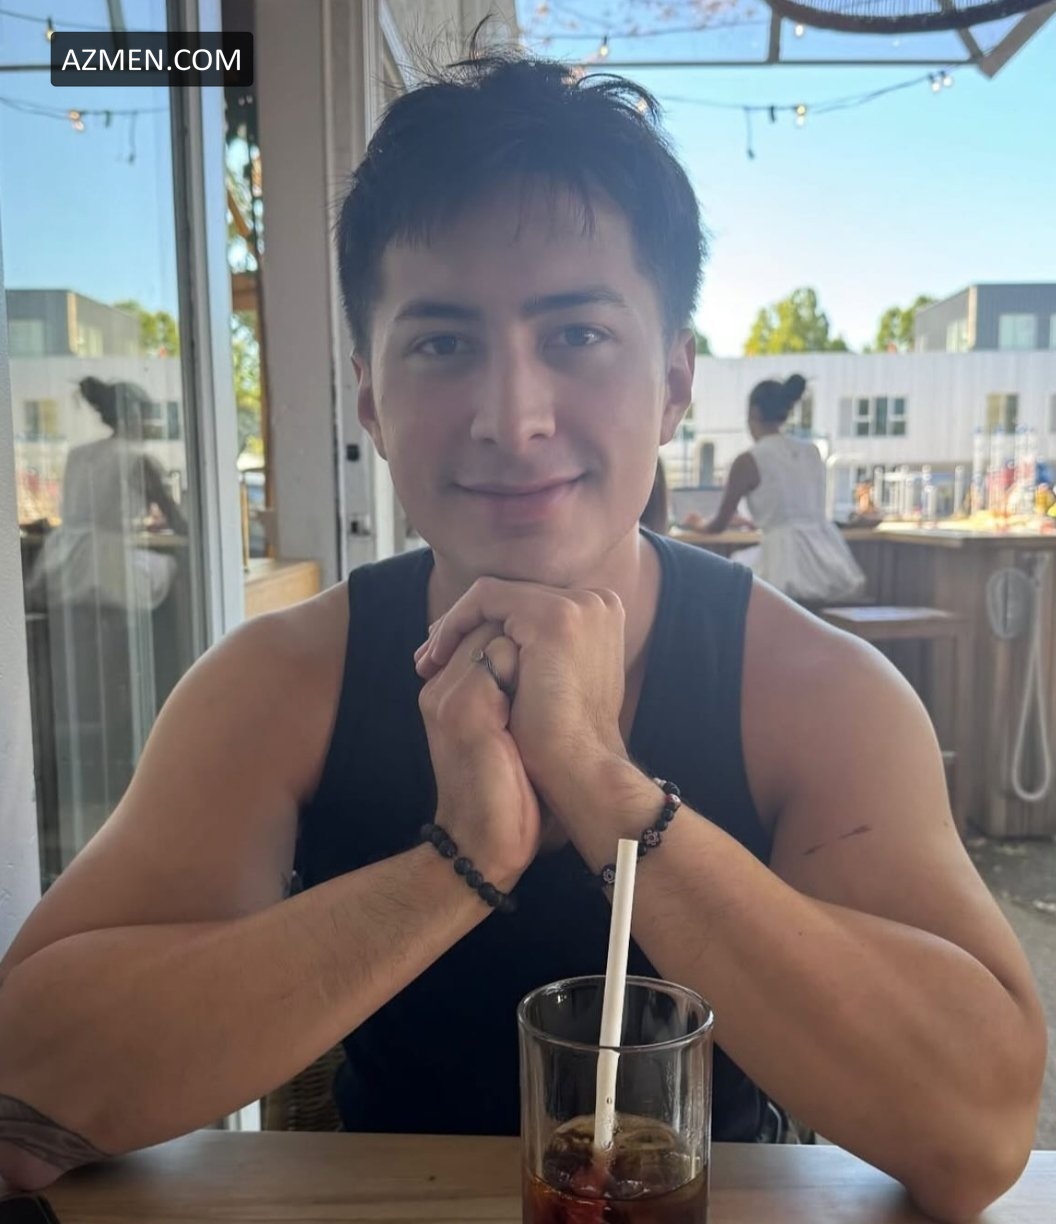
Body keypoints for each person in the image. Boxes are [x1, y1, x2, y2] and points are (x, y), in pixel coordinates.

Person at [0, 51, 1045, 1222]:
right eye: (443, 344)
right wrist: (462, 861)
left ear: (674, 381)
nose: (513, 417)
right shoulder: (280, 682)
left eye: (578, 335)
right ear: (369, 398)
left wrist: (604, 788)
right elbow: (24, 1088)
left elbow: (977, 1136)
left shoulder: (814, 691)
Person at [686, 375, 866, 603]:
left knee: (728, 584)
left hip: (784, 562)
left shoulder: (749, 460)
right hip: (831, 560)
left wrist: (696, 523)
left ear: (754, 412)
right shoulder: (812, 452)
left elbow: (718, 524)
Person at [29, 377, 188, 611]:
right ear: (135, 416)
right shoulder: (136, 459)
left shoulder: (78, 455)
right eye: (149, 417)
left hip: (61, 560)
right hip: (104, 567)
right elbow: (174, 518)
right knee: (174, 566)